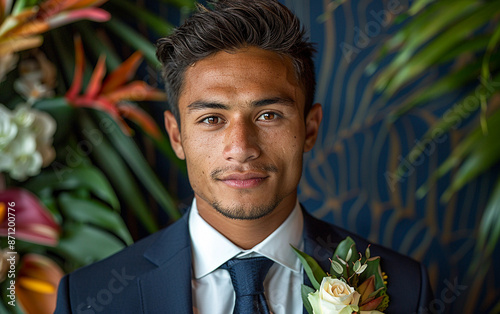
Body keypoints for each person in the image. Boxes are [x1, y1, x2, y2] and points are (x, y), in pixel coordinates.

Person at [55, 1, 433, 313]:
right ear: (176, 135)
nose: (241, 147)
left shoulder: (402, 287)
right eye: (212, 119)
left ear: (310, 128)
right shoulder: (90, 297)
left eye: (268, 115)